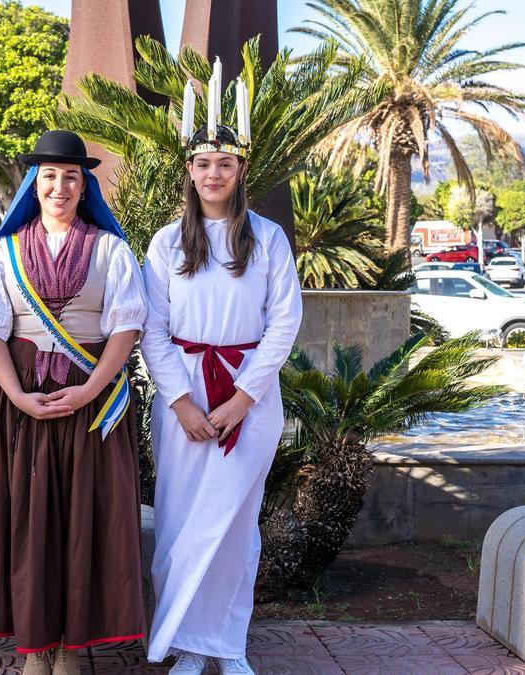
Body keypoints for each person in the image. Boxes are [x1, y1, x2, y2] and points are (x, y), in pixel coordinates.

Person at [0, 130, 148, 675]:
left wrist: (90, 389)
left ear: (84, 186)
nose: (59, 186)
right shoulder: (2, 255)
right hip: (18, 406)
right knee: (26, 521)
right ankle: (36, 647)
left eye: (70, 177)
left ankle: (71, 647)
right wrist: (15, 394)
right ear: (33, 187)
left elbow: (126, 328)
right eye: (48, 177)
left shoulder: (112, 251)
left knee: (85, 519)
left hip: (91, 404)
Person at [140, 111, 302, 673]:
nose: (214, 174)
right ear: (189, 171)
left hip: (249, 400)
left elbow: (284, 322)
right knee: (181, 519)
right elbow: (151, 328)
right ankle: (185, 643)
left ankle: (227, 646)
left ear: (240, 170)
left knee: (235, 523)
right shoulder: (166, 243)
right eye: (204, 164)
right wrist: (182, 402)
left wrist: (243, 398)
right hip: (182, 397)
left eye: (224, 164)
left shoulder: (268, 238)